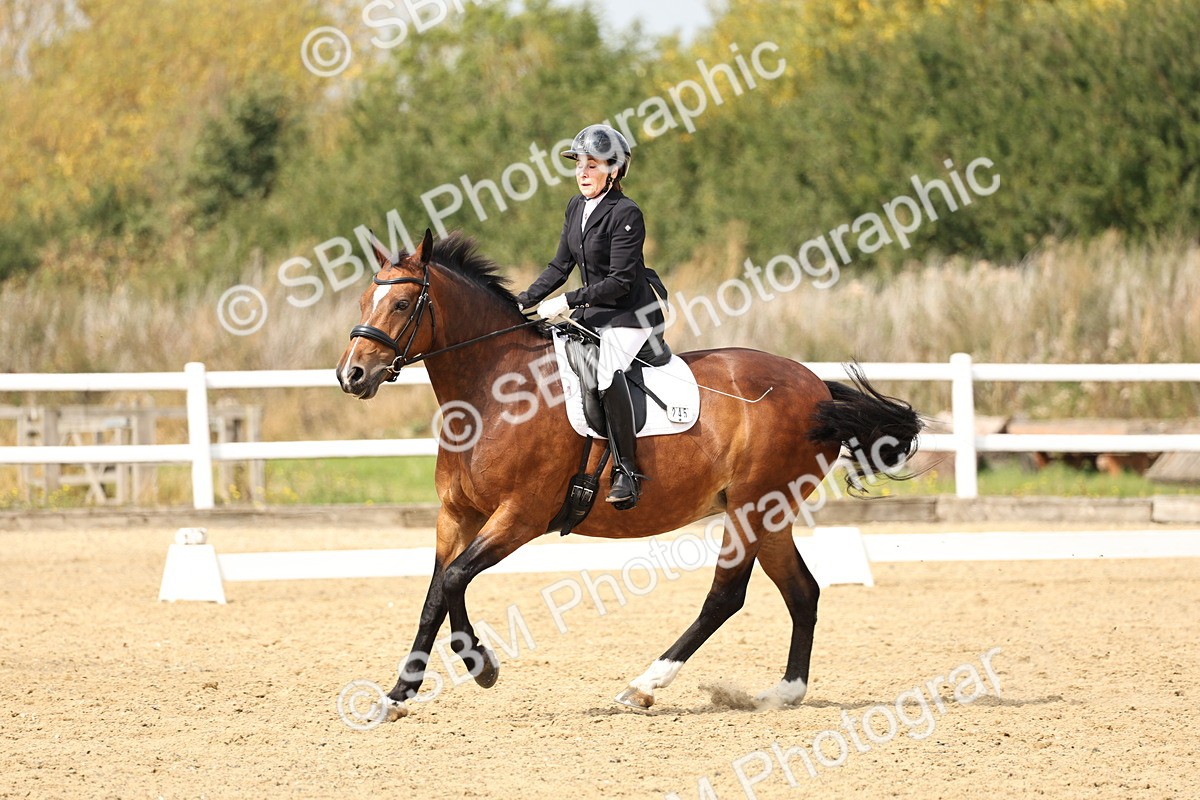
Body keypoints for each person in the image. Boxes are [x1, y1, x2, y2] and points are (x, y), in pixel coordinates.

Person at [515, 124, 668, 510]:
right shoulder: (575, 207)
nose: (582, 172)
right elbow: (559, 265)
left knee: (605, 372)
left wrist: (567, 300)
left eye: (592, 165)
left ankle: (627, 471)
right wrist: (521, 301)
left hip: (630, 314)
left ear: (613, 170)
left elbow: (619, 282)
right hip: (594, 312)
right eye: (578, 164)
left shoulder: (626, 213)